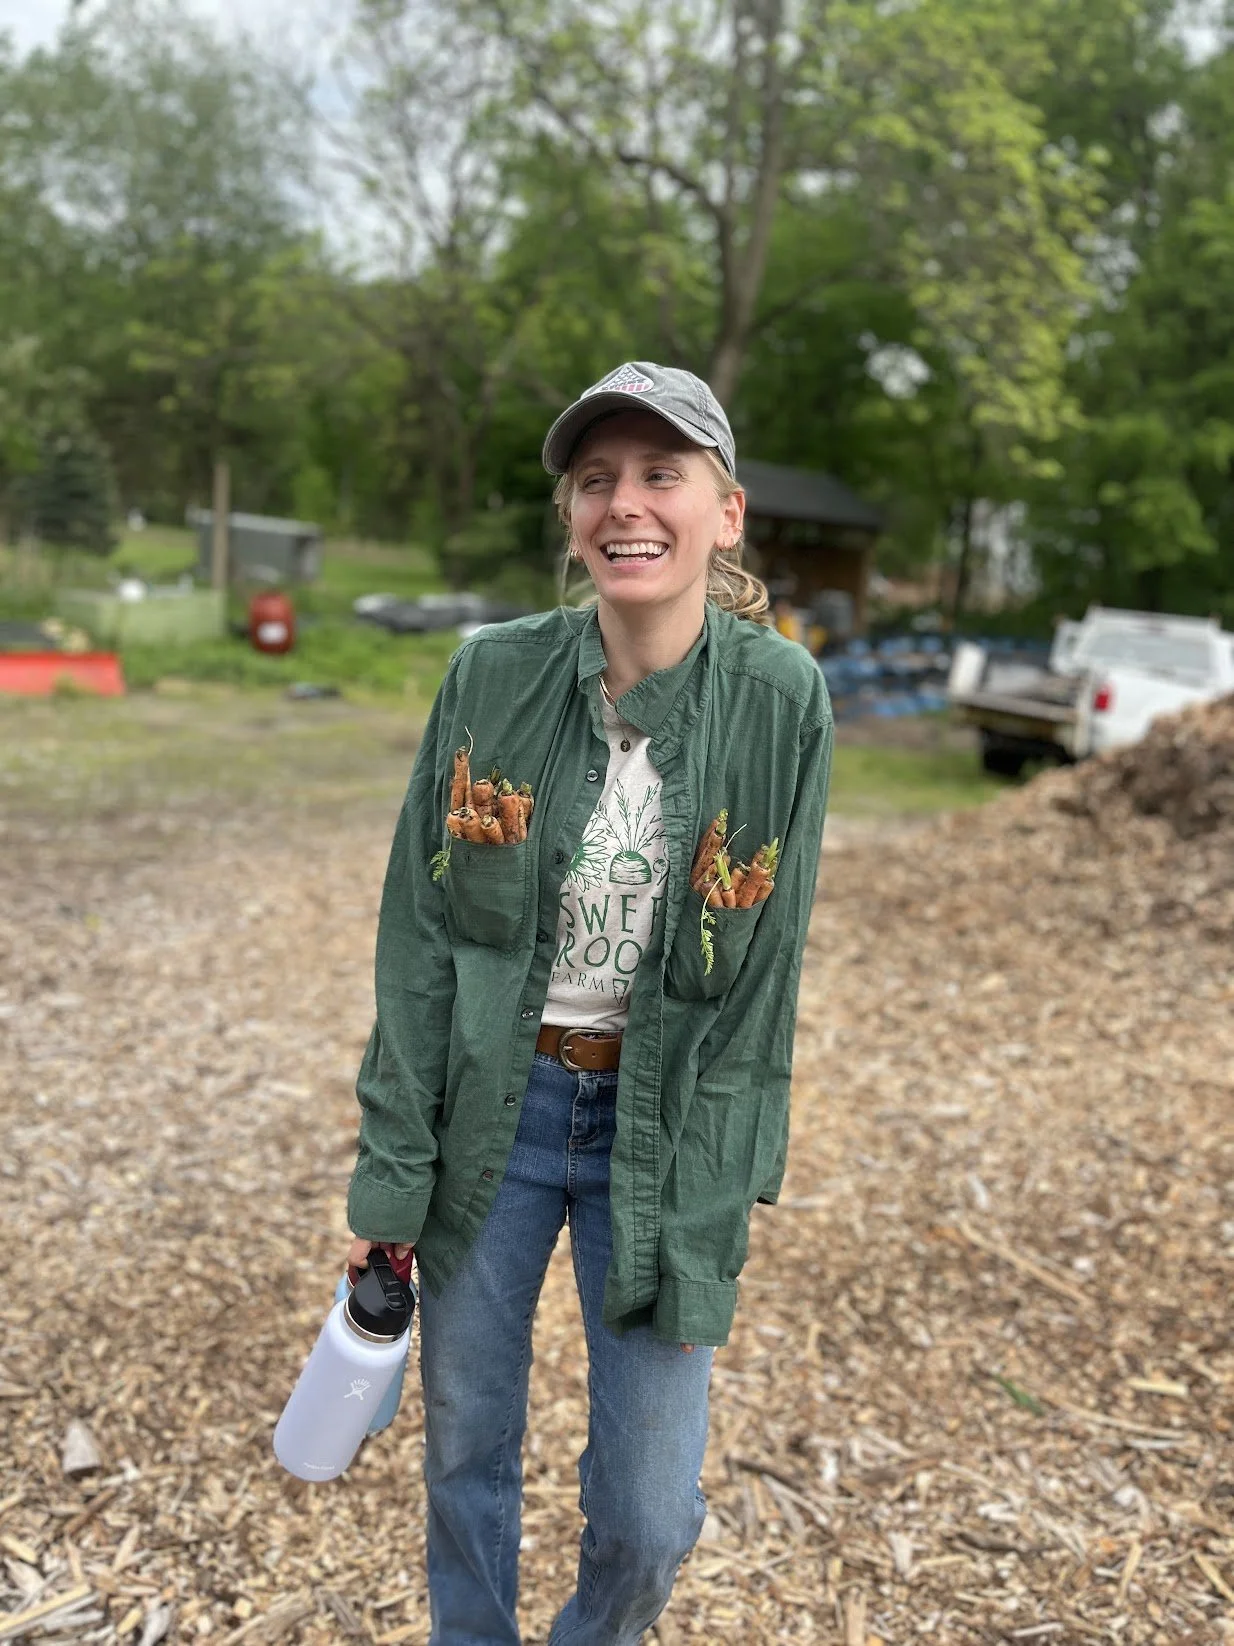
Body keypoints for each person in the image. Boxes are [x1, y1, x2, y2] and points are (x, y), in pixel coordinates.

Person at [345, 360, 833, 1645]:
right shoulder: (488, 676)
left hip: (659, 1135)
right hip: (491, 1119)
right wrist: (390, 1184)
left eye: (662, 474)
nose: (626, 503)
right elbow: (418, 940)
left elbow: (767, 978)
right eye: (597, 479)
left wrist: (715, 1203)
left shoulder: (781, 700)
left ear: (725, 512)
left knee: (649, 1513)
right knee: (465, 1451)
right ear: (571, 515)